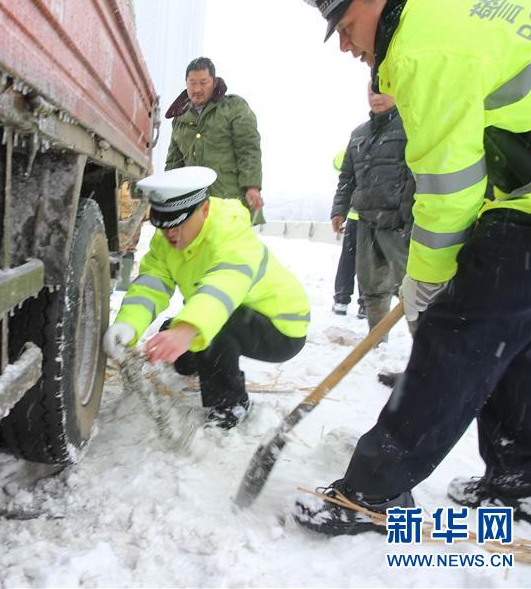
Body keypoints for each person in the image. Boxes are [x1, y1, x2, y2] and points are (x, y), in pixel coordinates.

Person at [294, 0, 531, 533]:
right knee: (514, 342)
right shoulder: (451, 3)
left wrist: (425, 285)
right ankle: (525, 484)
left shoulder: (420, 49)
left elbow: (449, 188)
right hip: (529, 197)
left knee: (458, 338)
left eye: (345, 22)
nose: (344, 44)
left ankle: (372, 493)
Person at [103, 166, 310, 429]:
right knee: (183, 339)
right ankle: (197, 352)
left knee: (211, 328)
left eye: (179, 224)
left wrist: (188, 328)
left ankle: (230, 403)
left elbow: (225, 285)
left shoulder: (231, 232)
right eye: (164, 226)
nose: (171, 234)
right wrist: (128, 324)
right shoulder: (166, 240)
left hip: (281, 329)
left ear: (204, 210)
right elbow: (151, 284)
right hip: (230, 313)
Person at [331, 82, 414, 334]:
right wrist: (339, 209)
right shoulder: (359, 133)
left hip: (398, 223)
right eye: (371, 92)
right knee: (372, 287)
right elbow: (347, 177)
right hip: (366, 221)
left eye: (382, 91)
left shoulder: (411, 127)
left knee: (412, 289)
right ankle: (377, 340)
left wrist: (408, 216)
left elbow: (417, 175)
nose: (375, 97)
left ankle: (425, 345)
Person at [164, 57, 266, 225]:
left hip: (229, 201)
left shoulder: (234, 107)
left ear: (214, 81)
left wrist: (252, 187)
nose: (197, 88)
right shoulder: (179, 119)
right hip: (194, 205)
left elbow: (248, 149)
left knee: (229, 249)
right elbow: (174, 162)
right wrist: (168, 194)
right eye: (192, 82)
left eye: (203, 82)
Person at [330, 148, 365, 318]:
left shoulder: (357, 144)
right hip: (371, 217)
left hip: (356, 216)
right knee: (370, 262)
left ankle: (342, 300)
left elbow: (338, 164)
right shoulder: (360, 141)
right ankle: (365, 304)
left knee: (348, 260)